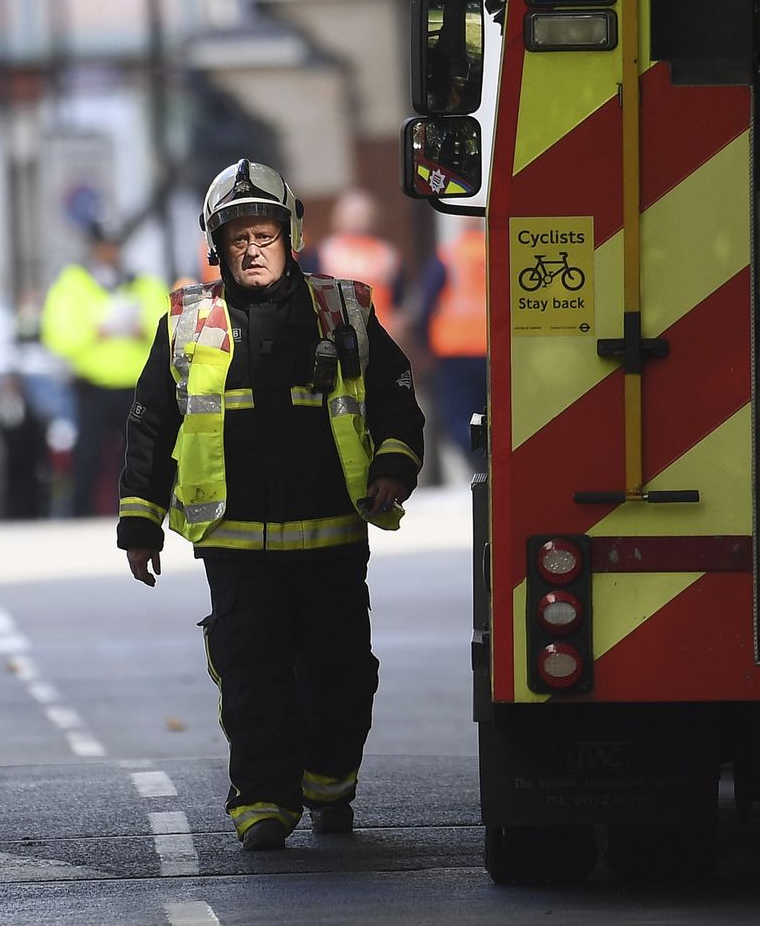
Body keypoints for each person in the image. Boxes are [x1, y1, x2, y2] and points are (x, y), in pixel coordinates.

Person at [116, 158, 425, 850]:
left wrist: (393, 465)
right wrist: (139, 523)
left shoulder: (343, 311)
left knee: (342, 675)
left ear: (292, 238)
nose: (252, 251)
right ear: (216, 246)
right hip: (234, 542)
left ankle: (329, 782)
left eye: (264, 236)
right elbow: (150, 424)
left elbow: (396, 397)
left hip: (331, 538)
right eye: (238, 239)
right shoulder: (187, 323)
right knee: (251, 677)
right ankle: (262, 801)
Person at [40, 221, 167, 517]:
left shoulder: (142, 282)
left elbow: (165, 323)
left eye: (114, 245)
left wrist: (141, 328)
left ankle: (138, 512)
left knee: (138, 455)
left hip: (134, 384)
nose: (110, 252)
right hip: (92, 383)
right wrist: (96, 330)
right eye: (104, 246)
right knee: (87, 454)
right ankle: (80, 515)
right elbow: (56, 333)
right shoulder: (74, 283)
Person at [414, 219, 487, 476]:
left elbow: (426, 305)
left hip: (455, 352)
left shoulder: (448, 256)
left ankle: (476, 464)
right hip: (491, 350)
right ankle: (488, 461)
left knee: (459, 417)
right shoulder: (495, 252)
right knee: (490, 412)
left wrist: (424, 346)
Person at [314, 188, 406, 333]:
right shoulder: (326, 251)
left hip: (379, 329)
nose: (357, 220)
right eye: (352, 215)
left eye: (361, 215)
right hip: (337, 329)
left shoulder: (387, 253)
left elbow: (399, 298)